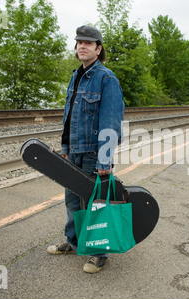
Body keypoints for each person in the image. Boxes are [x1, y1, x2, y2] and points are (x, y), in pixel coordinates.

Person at [47, 25, 125, 273]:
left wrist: (104, 159)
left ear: (98, 49)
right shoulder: (76, 75)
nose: (82, 46)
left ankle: (99, 253)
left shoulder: (106, 78)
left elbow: (110, 123)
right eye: (79, 42)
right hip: (74, 150)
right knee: (72, 199)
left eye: (88, 43)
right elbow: (69, 117)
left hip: (93, 153)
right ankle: (74, 241)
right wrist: (65, 147)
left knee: (95, 203)